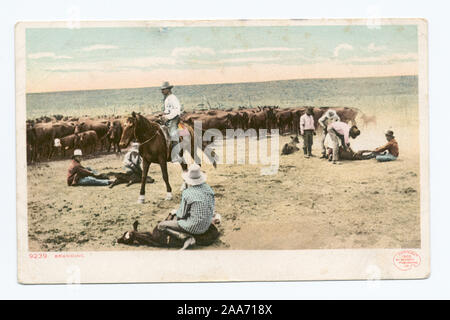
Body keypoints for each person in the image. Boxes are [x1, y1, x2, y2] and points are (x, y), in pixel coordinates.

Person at [157, 163, 215, 250]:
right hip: (206, 225)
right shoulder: (209, 189)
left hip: (193, 227)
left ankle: (185, 237)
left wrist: (175, 212)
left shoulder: (187, 193)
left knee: (161, 226)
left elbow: (181, 215)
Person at [161, 81, 183, 163]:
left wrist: (167, 117)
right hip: (168, 118)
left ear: (168, 89)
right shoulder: (167, 98)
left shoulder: (173, 98)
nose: (162, 91)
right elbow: (168, 110)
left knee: (173, 133)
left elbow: (176, 111)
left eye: (163, 89)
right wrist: (163, 114)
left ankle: (175, 155)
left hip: (174, 118)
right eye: (161, 90)